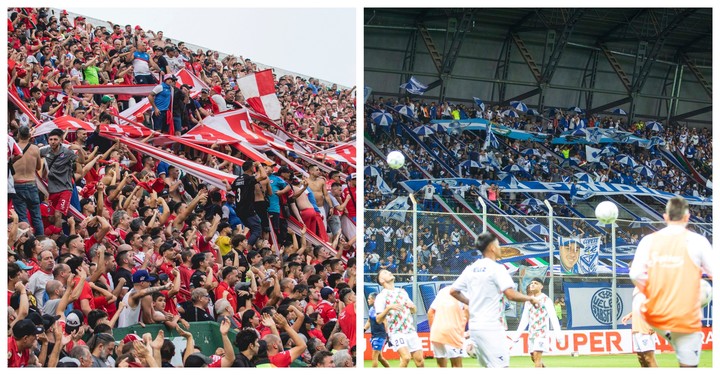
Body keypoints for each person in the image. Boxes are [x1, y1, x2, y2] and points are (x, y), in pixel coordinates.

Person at [629, 197, 713, 368]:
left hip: (655, 314)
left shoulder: (648, 241)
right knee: (688, 364)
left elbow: (635, 274)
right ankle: (681, 346)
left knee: (646, 356)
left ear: (665, 217)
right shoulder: (698, 241)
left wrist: (657, 292)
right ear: (687, 217)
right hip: (684, 315)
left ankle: (674, 341)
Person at [450, 232, 540, 368]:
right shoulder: (497, 269)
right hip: (491, 327)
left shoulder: (471, 268)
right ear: (492, 247)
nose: (500, 248)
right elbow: (510, 294)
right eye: (498, 245)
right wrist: (530, 299)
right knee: (501, 367)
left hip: (475, 329)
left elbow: (453, 291)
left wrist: (471, 302)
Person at [374, 269, 424, 367]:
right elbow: (378, 319)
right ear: (381, 281)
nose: (388, 272)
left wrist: (412, 307)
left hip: (410, 330)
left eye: (388, 271)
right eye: (384, 273)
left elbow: (414, 310)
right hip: (396, 332)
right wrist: (388, 308)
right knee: (406, 358)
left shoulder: (402, 292)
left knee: (420, 361)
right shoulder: (381, 296)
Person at [512, 278, 562, 368]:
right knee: (534, 357)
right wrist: (516, 336)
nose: (532, 284)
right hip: (532, 333)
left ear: (541, 286)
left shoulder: (546, 300)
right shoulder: (528, 301)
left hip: (542, 333)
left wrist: (558, 335)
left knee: (537, 356)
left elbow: (553, 318)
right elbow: (524, 320)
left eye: (536, 283)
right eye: (531, 283)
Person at [428, 286, 468, 367]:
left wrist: (433, 330)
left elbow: (430, 313)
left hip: (437, 332)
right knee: (457, 366)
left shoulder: (443, 291)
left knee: (441, 366)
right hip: (452, 332)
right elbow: (467, 310)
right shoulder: (464, 292)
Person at [621, 288, 658, 367]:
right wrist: (630, 315)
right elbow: (640, 306)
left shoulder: (650, 285)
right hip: (636, 327)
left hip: (645, 328)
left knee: (649, 358)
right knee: (641, 358)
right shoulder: (637, 288)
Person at [364, 293, 389, 368]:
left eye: (369, 298)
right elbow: (369, 321)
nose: (368, 300)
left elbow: (385, 322)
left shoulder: (380, 311)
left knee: (374, 357)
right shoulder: (371, 309)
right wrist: (364, 329)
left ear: (374, 300)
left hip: (380, 336)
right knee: (380, 358)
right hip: (374, 335)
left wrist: (387, 335)